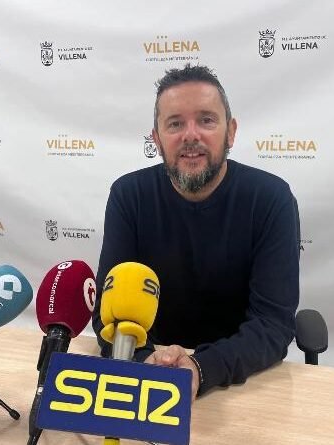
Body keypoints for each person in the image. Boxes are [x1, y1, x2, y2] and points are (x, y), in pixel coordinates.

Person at [92, 64, 299, 400]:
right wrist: (147, 361)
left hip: (238, 382)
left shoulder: (271, 199)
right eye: (175, 123)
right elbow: (108, 314)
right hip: (149, 377)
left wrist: (200, 368)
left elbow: (272, 324)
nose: (190, 135)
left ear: (231, 132)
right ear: (156, 138)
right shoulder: (128, 196)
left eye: (206, 120)